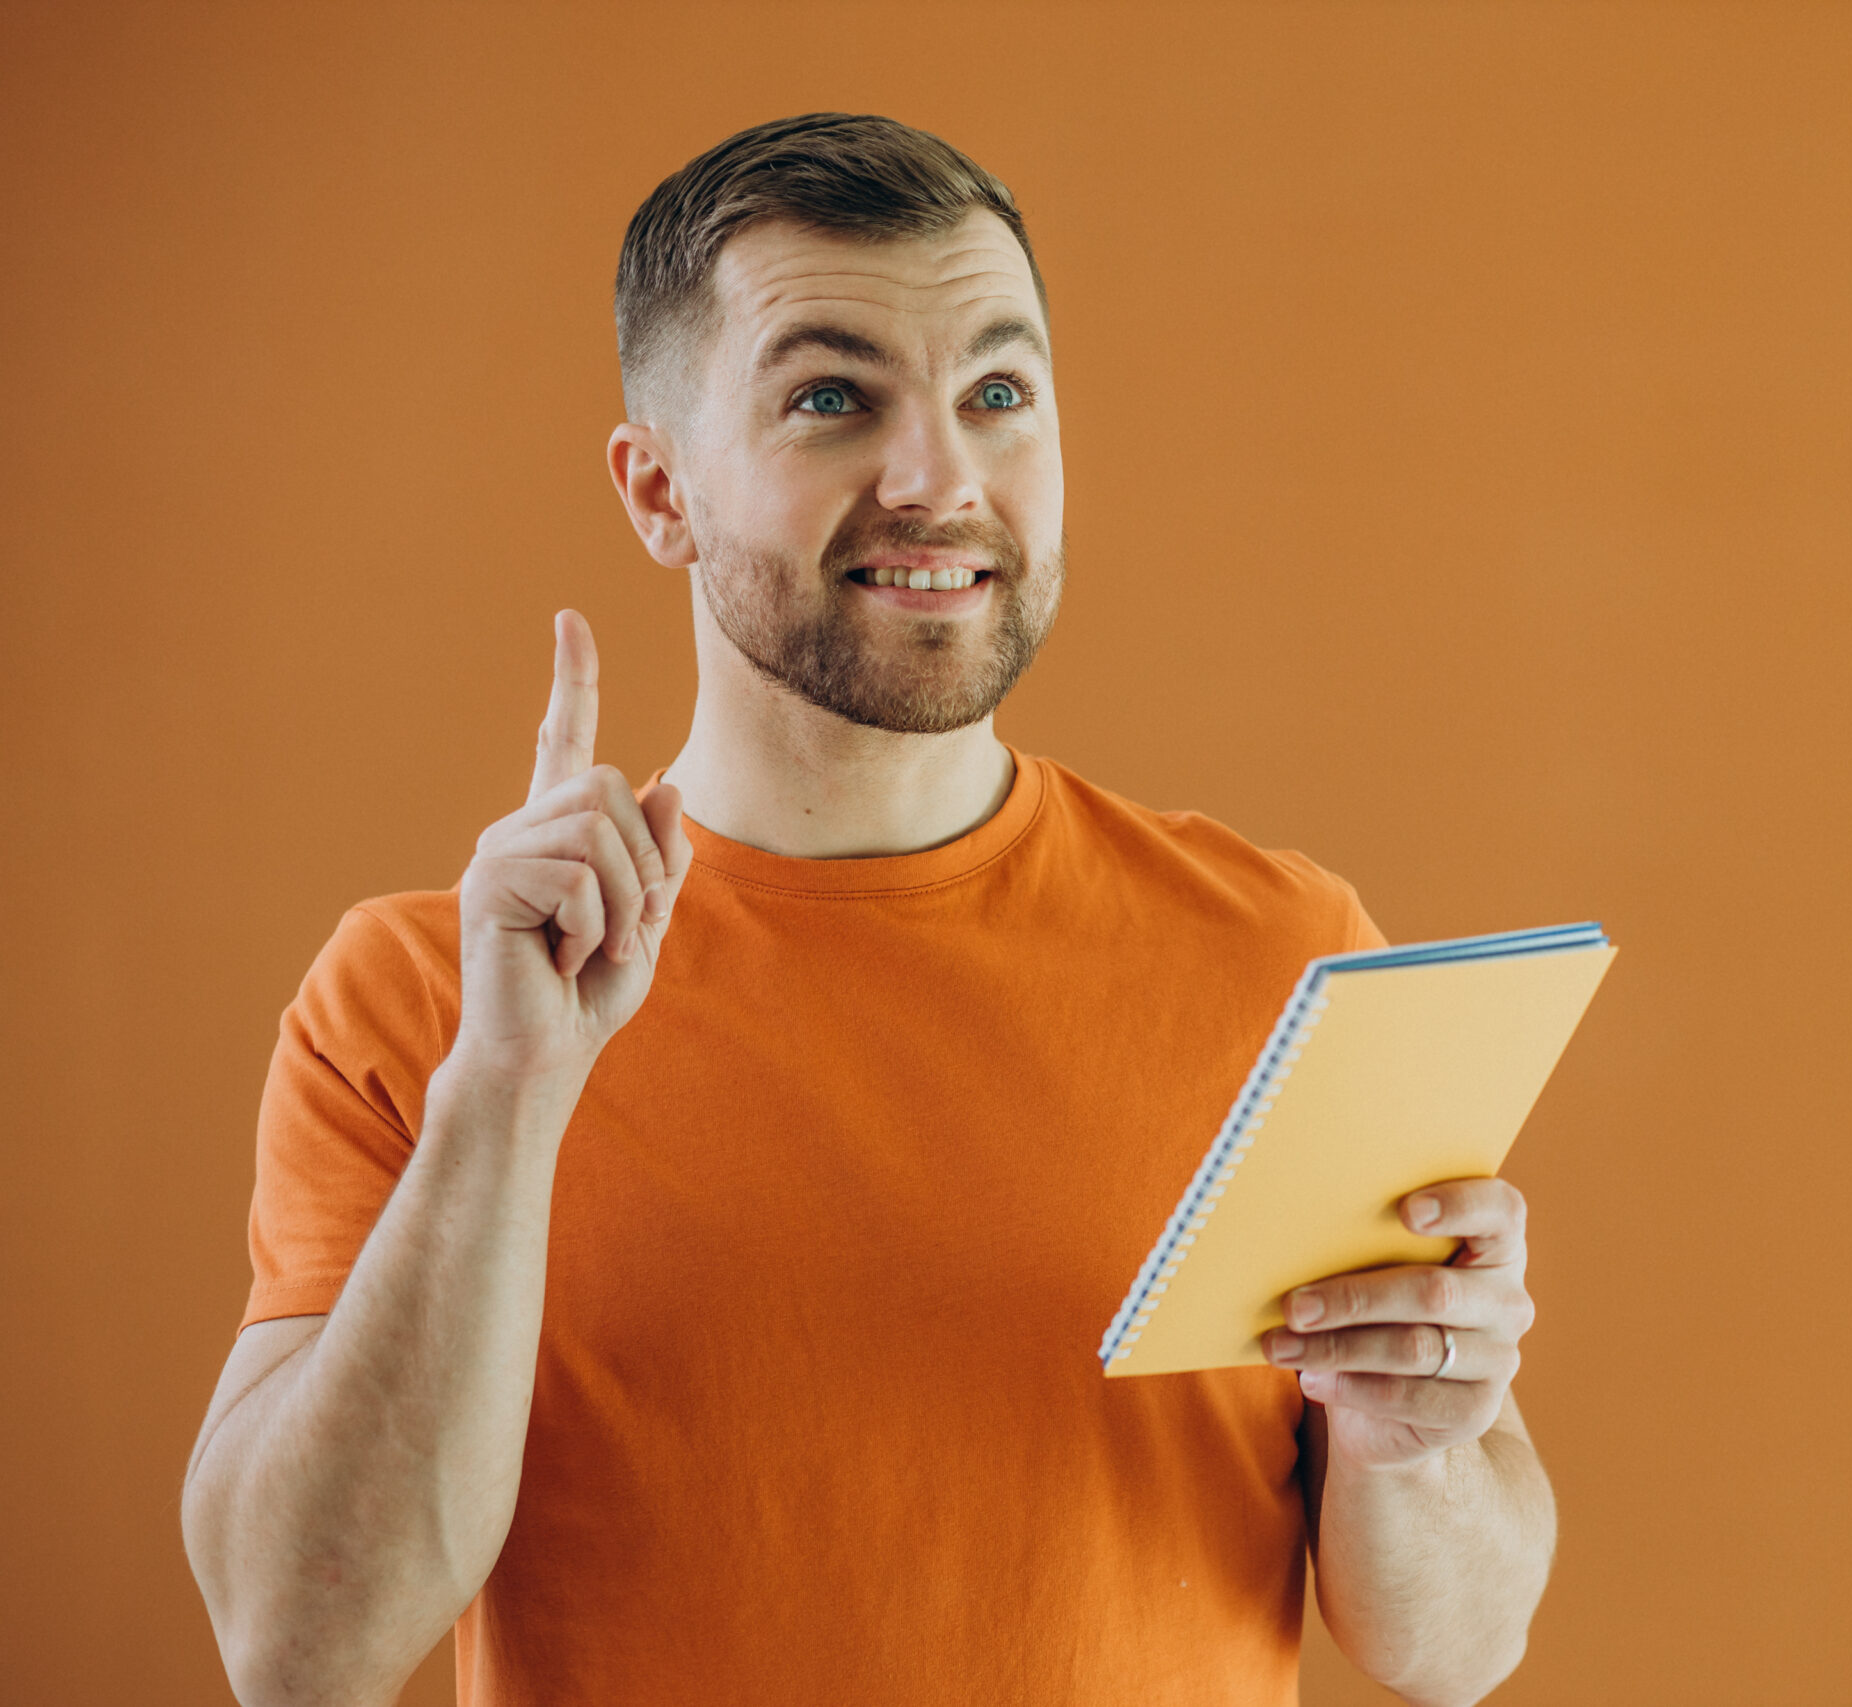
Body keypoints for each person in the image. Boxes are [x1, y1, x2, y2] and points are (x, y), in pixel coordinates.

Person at [179, 113, 1553, 1707]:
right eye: (832, 398)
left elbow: (1458, 1650)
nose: (939, 478)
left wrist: (1414, 1441)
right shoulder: (429, 1002)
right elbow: (300, 1648)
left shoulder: (1284, 951)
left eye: (998, 394)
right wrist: (501, 1101)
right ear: (658, 489)